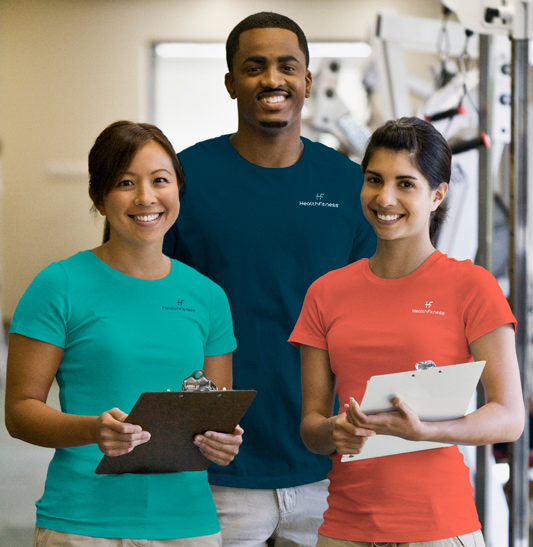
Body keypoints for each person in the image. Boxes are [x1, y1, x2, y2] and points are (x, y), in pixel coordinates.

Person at [163, 11, 376, 547]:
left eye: (287, 66)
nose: (272, 80)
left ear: (307, 79)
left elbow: (374, 312)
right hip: (217, 460)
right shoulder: (187, 181)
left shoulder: (347, 184)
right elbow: (154, 306)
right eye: (253, 67)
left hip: (327, 462)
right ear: (231, 82)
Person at [5, 120, 243, 546]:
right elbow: (20, 412)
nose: (145, 198)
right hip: (82, 525)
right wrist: (92, 430)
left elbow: (213, 413)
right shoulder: (59, 285)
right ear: (99, 196)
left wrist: (222, 442)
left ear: (178, 189)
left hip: (187, 526)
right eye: (125, 182)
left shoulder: (208, 297)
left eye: (160, 181)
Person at [289, 117, 525, 546]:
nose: (385, 198)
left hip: (440, 526)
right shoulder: (325, 293)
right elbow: (311, 426)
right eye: (374, 180)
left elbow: (509, 417)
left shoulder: (472, 287)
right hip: (346, 527)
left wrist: (429, 432)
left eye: (405, 184)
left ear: (437, 195)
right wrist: (334, 432)